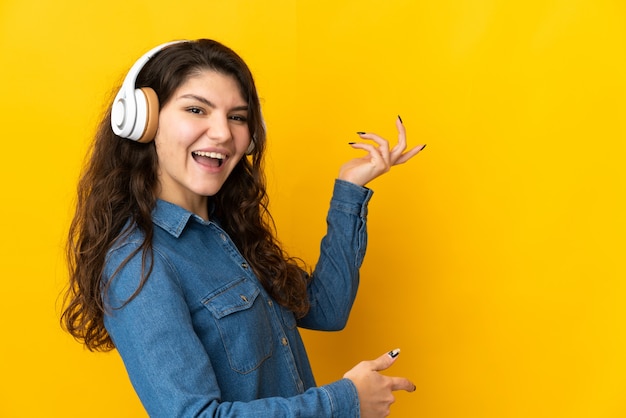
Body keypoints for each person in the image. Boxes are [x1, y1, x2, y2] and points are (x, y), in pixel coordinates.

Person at [61, 38, 426, 417]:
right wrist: (345, 401)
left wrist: (350, 191)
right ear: (143, 121)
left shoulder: (229, 231)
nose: (222, 133)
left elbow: (328, 310)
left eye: (236, 116)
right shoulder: (140, 261)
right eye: (196, 109)